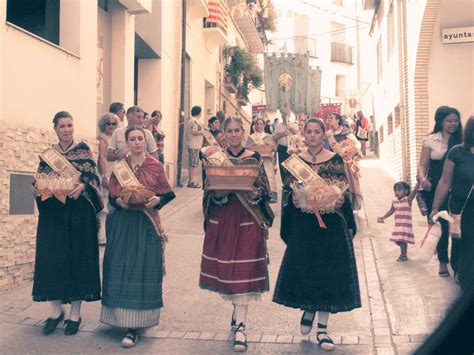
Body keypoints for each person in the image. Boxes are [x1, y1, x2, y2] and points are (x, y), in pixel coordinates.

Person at [272, 118, 360, 352]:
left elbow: (343, 190)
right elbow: (289, 191)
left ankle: (322, 329)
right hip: (303, 224)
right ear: (304, 134)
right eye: (308, 132)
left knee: (328, 274)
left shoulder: (336, 159)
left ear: (323, 135)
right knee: (308, 272)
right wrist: (293, 197)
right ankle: (308, 308)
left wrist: (341, 198)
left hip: (331, 225)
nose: (312, 135)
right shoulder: (294, 162)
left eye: (317, 132)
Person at [200, 117, 274, 352]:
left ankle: (241, 326)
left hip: (248, 217)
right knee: (228, 270)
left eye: (237, 131)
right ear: (224, 134)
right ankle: (237, 311)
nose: (233, 134)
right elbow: (207, 189)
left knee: (243, 272)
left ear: (244, 132)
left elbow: (265, 189)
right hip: (223, 218)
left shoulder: (254, 157)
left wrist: (254, 193)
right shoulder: (214, 157)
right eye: (229, 131)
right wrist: (220, 193)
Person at [101, 126, 176, 348]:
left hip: (146, 223)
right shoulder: (120, 167)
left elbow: (168, 194)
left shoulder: (155, 166)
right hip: (124, 223)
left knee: (141, 268)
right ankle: (122, 320)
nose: (136, 142)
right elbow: (112, 195)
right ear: (126, 143)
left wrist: (157, 202)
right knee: (122, 266)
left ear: (146, 141)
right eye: (132, 139)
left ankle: (136, 325)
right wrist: (119, 203)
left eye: (140, 138)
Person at [33, 111, 103, 336]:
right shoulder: (49, 154)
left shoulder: (83, 150)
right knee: (51, 259)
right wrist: (38, 186)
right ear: (55, 128)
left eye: (70, 125)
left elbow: (93, 178)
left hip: (79, 213)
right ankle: (55, 312)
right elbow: (40, 179)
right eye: (62, 126)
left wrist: (82, 187)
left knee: (77, 259)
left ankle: (75, 313)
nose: (67, 129)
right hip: (53, 214)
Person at [417, 106, 463, 278]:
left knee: (456, 225)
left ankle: (457, 263)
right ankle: (442, 261)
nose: (453, 124)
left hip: (457, 187)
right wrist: (422, 179)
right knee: (440, 224)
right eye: (449, 121)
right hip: (434, 187)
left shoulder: (462, 141)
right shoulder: (430, 140)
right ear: (440, 122)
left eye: (456, 121)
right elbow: (422, 165)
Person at [431, 116, 474, 290]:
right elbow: (445, 181)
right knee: (463, 244)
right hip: (461, 209)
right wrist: (435, 208)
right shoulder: (457, 152)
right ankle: (464, 278)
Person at [325, 112, 363, 210]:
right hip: (333, 164)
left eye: (331, 118)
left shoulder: (346, 131)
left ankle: (349, 207)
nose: (329, 119)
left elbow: (357, 144)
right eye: (328, 118)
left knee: (348, 185)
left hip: (345, 163)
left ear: (337, 120)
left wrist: (348, 151)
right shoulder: (329, 134)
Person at [377, 181, 418, 261]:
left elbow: (414, 192)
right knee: (398, 240)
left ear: (406, 191)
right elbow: (391, 211)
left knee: (400, 240)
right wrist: (383, 217)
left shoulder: (408, 200)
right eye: (395, 190)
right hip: (398, 225)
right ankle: (404, 255)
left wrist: (419, 182)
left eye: (399, 190)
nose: (396, 192)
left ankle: (403, 255)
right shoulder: (394, 201)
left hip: (406, 225)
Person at [97, 113, 119, 245]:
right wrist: (105, 175)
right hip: (106, 174)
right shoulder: (103, 138)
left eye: (114, 123)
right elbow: (101, 157)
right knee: (104, 207)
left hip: (116, 174)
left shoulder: (116, 138)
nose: (111, 126)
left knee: (114, 205)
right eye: (108, 123)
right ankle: (101, 237)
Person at [247, 117, 278, 203]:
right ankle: (258, 196)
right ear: (254, 125)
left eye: (261, 124)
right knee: (258, 180)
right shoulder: (251, 137)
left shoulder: (268, 136)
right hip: (256, 162)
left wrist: (273, 161)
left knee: (267, 179)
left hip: (267, 161)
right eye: (257, 124)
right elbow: (247, 149)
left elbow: (273, 149)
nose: (259, 126)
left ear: (264, 125)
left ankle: (270, 196)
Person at [272, 113, 299, 182]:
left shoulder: (293, 124)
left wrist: (291, 129)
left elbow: (298, 133)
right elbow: (274, 138)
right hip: (282, 149)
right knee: (282, 166)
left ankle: (293, 183)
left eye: (286, 115)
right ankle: (284, 184)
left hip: (292, 148)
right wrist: (282, 134)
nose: (285, 117)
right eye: (283, 115)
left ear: (289, 116)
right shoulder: (278, 126)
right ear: (281, 116)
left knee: (293, 167)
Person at [185, 106, 204, 188]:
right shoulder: (193, 121)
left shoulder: (194, 121)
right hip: (193, 145)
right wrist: (203, 132)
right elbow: (194, 131)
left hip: (195, 145)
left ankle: (191, 180)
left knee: (194, 163)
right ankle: (191, 181)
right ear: (199, 112)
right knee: (193, 163)